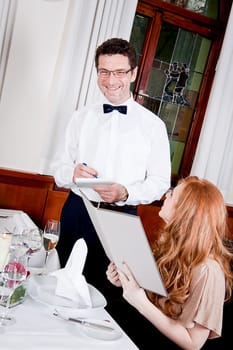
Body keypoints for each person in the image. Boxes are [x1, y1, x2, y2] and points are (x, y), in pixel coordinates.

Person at [52, 37, 171, 299]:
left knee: (107, 295)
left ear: (133, 73)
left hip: (121, 219)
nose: (111, 80)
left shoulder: (153, 126)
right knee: (61, 283)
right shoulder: (80, 117)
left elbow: (161, 181)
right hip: (77, 210)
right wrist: (71, 172)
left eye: (119, 72)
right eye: (104, 72)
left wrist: (125, 192)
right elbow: (58, 168)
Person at [106, 176, 233, 349]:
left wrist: (139, 302)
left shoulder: (209, 270)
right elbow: (154, 299)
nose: (166, 197)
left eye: (172, 194)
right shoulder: (169, 245)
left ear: (185, 211)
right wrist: (125, 281)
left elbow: (193, 343)